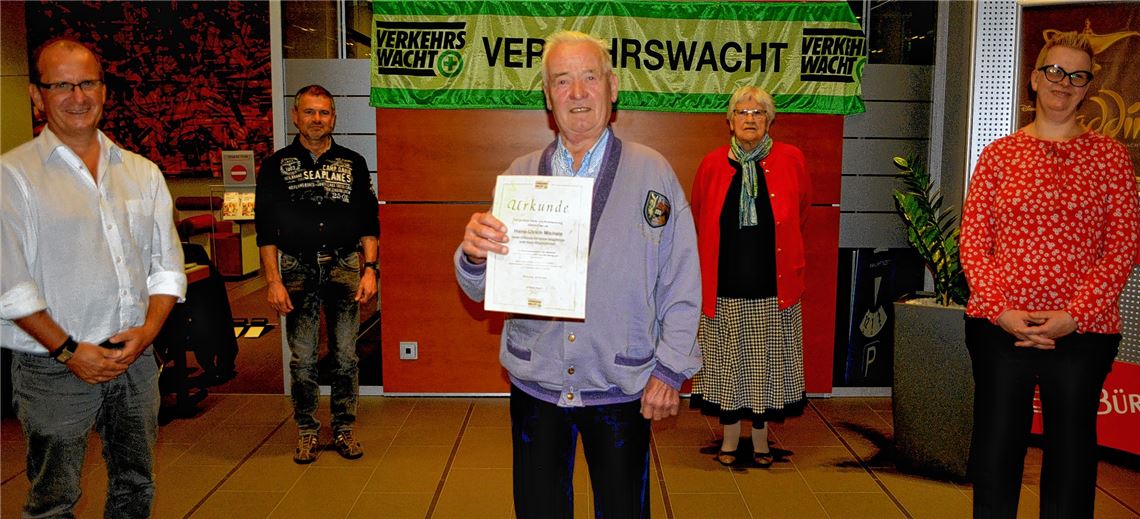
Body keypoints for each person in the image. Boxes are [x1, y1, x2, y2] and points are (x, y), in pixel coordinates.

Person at [455, 30, 701, 518]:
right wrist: (474, 256)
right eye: (562, 80)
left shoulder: (652, 174)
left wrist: (670, 370)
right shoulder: (521, 176)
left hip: (621, 384)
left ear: (612, 87)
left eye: (590, 77)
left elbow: (681, 280)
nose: (578, 92)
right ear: (548, 97)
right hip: (537, 385)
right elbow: (484, 288)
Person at [0, 38, 187, 518]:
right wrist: (68, 351)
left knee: (136, 485)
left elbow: (167, 267)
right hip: (53, 366)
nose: (78, 96)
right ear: (37, 95)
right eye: (61, 85)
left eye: (87, 83)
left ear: (104, 90)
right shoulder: (13, 176)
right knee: (54, 499)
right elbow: (9, 286)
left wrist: (147, 333)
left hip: (133, 360)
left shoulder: (142, 173)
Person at [960, 31, 1139, 519]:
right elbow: (973, 241)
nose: (1064, 82)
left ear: (1087, 89)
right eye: (1055, 71)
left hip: (1083, 332)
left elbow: (1121, 247)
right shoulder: (998, 155)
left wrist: (1073, 316)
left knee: (1072, 454)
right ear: (1035, 79)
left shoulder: (1110, 158)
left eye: (1077, 76)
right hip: (1000, 327)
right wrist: (1002, 312)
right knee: (996, 450)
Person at [687, 86, 811, 468]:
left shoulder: (792, 159)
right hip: (723, 287)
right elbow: (699, 213)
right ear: (730, 121)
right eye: (742, 112)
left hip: (773, 287)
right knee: (725, 366)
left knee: (765, 368)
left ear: (770, 120)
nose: (750, 119)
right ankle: (728, 439)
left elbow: (802, 210)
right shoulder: (711, 164)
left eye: (758, 112)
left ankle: (760, 440)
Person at [255, 84, 379, 464]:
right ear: (296, 116)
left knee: (345, 357)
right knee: (304, 359)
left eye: (324, 112)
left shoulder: (353, 163)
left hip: (345, 266)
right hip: (296, 268)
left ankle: (344, 428)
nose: (317, 119)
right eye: (309, 112)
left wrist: (371, 269)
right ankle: (307, 431)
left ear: (333, 118)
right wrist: (273, 281)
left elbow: (368, 221)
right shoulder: (275, 166)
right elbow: (265, 230)